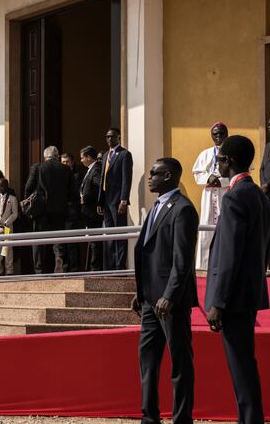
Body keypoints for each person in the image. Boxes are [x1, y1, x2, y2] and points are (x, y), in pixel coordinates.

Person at [205, 135, 269, 424]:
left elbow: (229, 255)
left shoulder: (234, 196)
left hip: (233, 298)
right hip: (249, 293)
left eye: (219, 159)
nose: (217, 164)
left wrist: (218, 301)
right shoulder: (256, 193)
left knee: (241, 367)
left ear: (228, 161)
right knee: (246, 364)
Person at [132, 158, 198, 424]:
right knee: (147, 361)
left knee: (180, 362)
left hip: (172, 302)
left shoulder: (183, 210)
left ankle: (182, 419)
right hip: (150, 300)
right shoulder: (155, 208)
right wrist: (141, 291)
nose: (149, 178)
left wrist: (169, 296)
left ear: (168, 176)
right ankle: (150, 417)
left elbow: (182, 261)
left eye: (154, 174)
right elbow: (148, 252)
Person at [25, 146, 75, 274]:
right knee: (58, 237)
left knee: (38, 240)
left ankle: (39, 270)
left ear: (45, 156)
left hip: (41, 210)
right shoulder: (66, 169)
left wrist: (29, 201)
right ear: (57, 157)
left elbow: (28, 187)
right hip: (60, 210)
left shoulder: (38, 167)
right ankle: (58, 257)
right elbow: (73, 192)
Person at [192, 122, 230, 270]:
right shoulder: (205, 154)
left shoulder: (232, 152)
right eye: (215, 134)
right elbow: (197, 173)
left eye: (221, 133)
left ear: (227, 134)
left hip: (226, 193)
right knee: (206, 232)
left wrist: (221, 182)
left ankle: (226, 266)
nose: (218, 137)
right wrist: (208, 179)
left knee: (226, 228)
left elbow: (240, 173)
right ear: (211, 136)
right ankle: (203, 267)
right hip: (208, 195)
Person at [97, 128, 133, 270]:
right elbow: (102, 178)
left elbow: (126, 178)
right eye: (107, 137)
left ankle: (120, 265)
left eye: (112, 137)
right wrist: (100, 201)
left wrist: (124, 199)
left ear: (119, 137)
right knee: (110, 234)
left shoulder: (124, 155)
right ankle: (111, 265)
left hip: (118, 200)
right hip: (106, 200)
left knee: (120, 234)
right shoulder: (106, 155)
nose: (109, 139)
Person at [79, 146, 104, 270]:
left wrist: (86, 198)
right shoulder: (91, 169)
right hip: (88, 212)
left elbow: (99, 187)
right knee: (92, 240)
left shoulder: (96, 169)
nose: (81, 160)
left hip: (93, 211)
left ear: (89, 157)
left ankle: (95, 268)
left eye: (82, 157)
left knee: (95, 241)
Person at [59, 153, 84, 272]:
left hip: (72, 213)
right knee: (62, 243)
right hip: (61, 213)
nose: (65, 164)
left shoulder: (77, 175)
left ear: (72, 162)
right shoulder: (58, 176)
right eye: (62, 162)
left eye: (67, 162)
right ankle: (64, 267)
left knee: (72, 243)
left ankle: (74, 267)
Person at [0, 177, 19, 275]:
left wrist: (6, 222)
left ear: (6, 186)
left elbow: (15, 213)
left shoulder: (12, 198)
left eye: (1, 186)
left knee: (8, 249)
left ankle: (9, 270)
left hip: (8, 227)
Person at [261, 118, 270, 198]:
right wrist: (263, 184)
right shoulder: (267, 146)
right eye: (269, 125)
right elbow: (262, 168)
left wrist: (268, 184)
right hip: (266, 192)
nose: (269, 127)